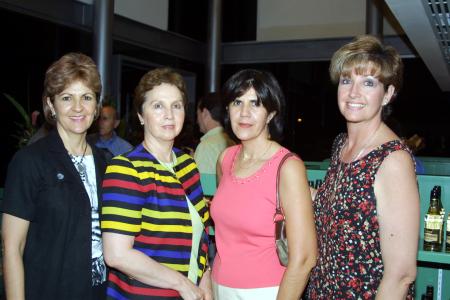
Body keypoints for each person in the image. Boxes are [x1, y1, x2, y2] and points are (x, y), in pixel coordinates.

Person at [307, 35, 420, 299]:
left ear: (388, 94)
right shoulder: (341, 146)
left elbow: (401, 275)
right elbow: (346, 207)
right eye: (347, 80)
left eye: (368, 83)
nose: (353, 93)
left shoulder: (392, 160)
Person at [1, 52, 107, 299]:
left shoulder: (107, 162)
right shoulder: (30, 161)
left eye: (87, 97)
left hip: (100, 292)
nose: (78, 108)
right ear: (51, 104)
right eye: (67, 98)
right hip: (49, 289)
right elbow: (12, 248)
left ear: (96, 105)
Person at [100, 67, 212, 300]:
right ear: (141, 115)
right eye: (158, 106)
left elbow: (199, 238)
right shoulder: (126, 168)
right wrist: (183, 284)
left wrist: (205, 286)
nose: (169, 115)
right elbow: (117, 254)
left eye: (176, 106)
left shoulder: (188, 165)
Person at [210, 69, 317, 299]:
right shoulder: (225, 159)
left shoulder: (287, 167)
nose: (244, 113)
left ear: (270, 114)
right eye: (237, 102)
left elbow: (305, 257)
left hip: (266, 291)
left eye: (255, 104)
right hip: (219, 286)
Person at [195, 92, 235, 175]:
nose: (197, 121)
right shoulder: (233, 141)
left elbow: (206, 187)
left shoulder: (207, 146)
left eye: (197, 114)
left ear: (205, 113)